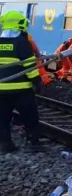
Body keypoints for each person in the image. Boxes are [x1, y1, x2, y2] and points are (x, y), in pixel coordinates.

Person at [0, 11, 43, 153]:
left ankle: (5, 144)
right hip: (21, 91)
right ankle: (33, 143)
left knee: (2, 119)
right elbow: (30, 66)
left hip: (1, 91)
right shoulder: (22, 42)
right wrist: (37, 82)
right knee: (30, 116)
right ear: (20, 24)